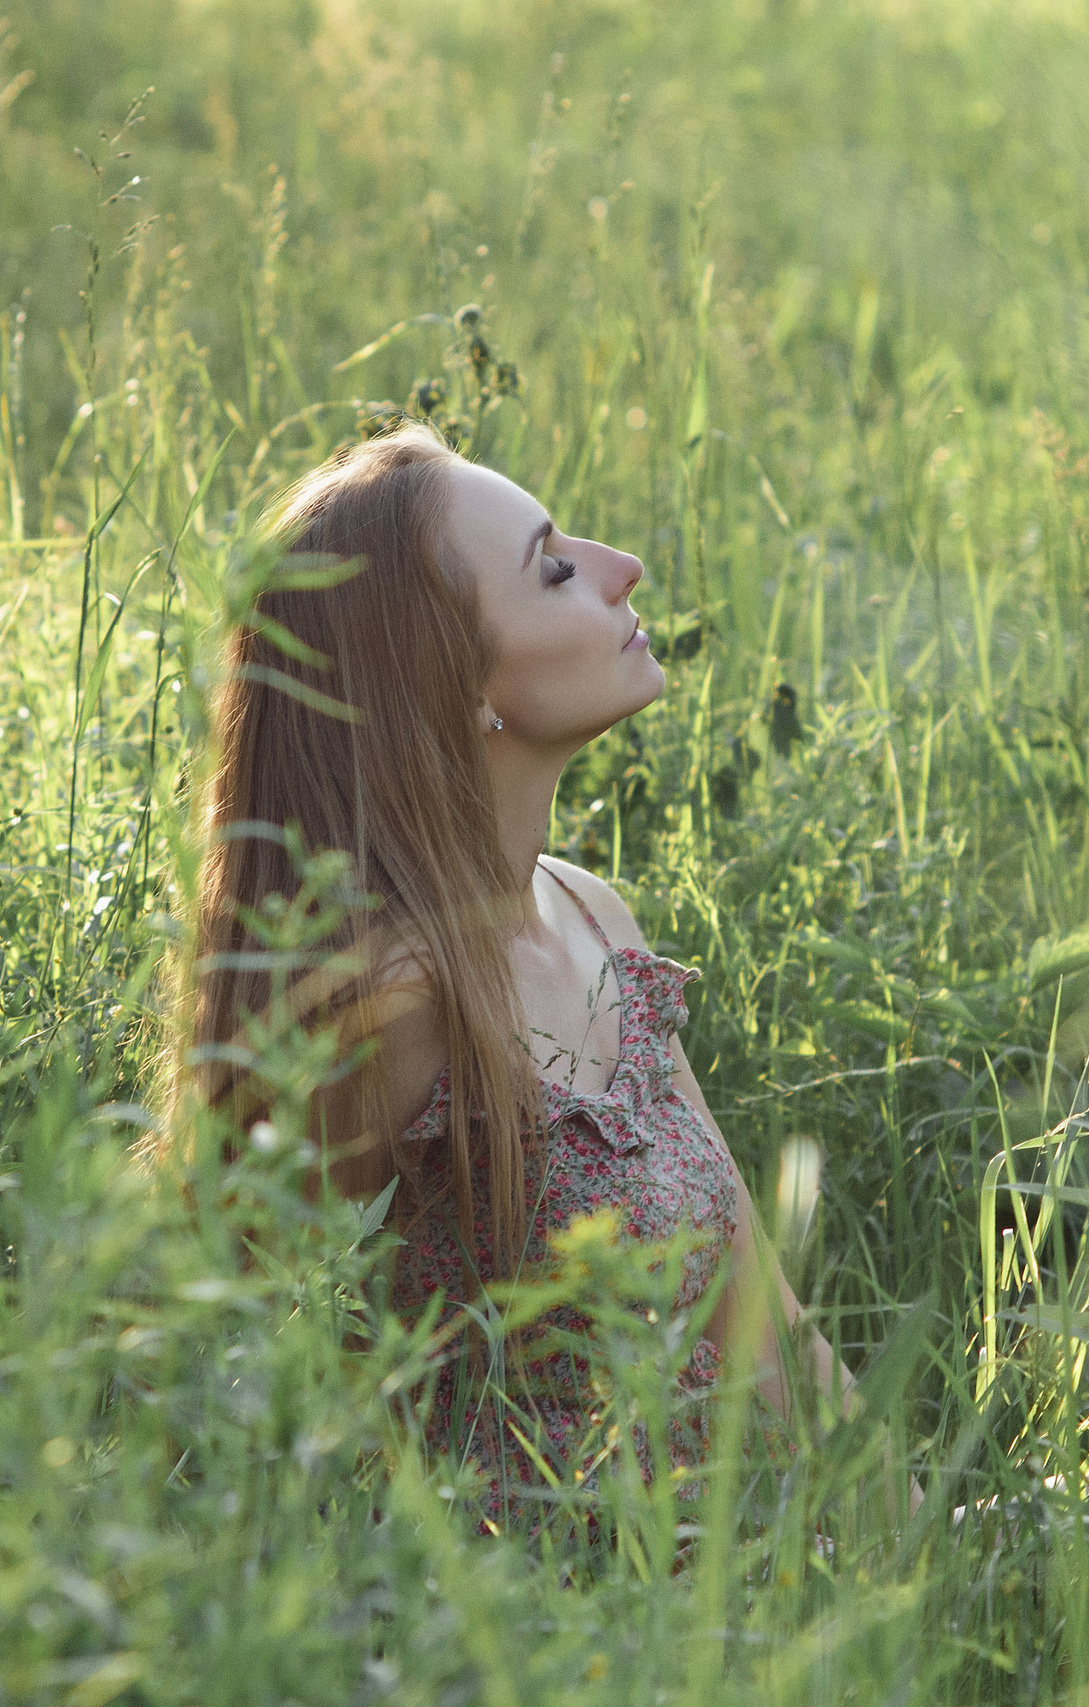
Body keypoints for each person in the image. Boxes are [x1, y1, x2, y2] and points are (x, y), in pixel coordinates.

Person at [180, 422, 844, 1535]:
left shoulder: (592, 914)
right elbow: (254, 1378)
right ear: (453, 682)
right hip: (531, 1634)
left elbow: (763, 1329)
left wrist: (934, 1556)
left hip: (737, 1585)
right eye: (554, 568)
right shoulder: (381, 1004)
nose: (621, 567)